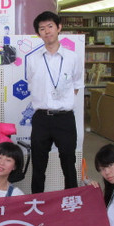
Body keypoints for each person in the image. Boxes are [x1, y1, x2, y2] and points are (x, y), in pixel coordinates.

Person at [26, 11, 84, 193]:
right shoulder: (32, 59)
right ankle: (36, 201)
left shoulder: (72, 57)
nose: (47, 31)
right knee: (38, 164)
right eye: (42, 28)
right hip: (41, 118)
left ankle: (71, 200)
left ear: (59, 28)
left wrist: (62, 101)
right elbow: (31, 84)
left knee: (68, 163)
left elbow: (76, 85)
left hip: (64, 118)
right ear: (38, 33)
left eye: (50, 26)